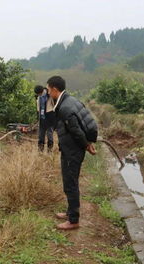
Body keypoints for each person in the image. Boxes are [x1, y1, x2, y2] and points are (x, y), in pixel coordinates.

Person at [46, 76, 98, 230]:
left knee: (71, 184)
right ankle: (70, 212)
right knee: (70, 181)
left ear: (55, 89)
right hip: (72, 148)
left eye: (49, 90)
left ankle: (73, 220)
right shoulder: (69, 100)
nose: (48, 93)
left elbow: (76, 131)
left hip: (73, 150)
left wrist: (87, 145)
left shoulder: (65, 107)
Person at [34, 85, 56, 152]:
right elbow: (38, 108)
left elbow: (54, 106)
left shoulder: (49, 95)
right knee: (41, 136)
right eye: (37, 94)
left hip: (49, 118)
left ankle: (49, 151)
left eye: (39, 94)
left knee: (50, 136)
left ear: (42, 91)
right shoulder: (38, 97)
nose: (39, 95)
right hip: (42, 119)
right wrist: (38, 117)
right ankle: (40, 151)